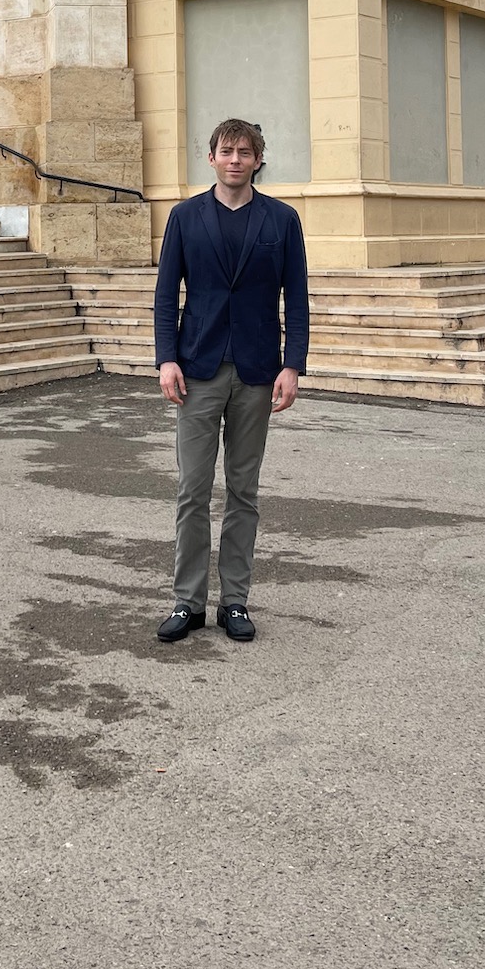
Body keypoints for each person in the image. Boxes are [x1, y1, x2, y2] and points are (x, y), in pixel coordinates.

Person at [152, 117, 309, 645]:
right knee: (192, 490)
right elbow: (164, 293)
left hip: (258, 371)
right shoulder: (184, 217)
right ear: (212, 158)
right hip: (196, 369)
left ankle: (234, 601)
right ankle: (188, 602)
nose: (236, 159)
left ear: (258, 160)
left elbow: (298, 298)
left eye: (246, 151)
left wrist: (292, 364)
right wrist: (165, 358)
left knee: (243, 490)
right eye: (227, 151)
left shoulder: (282, 220)